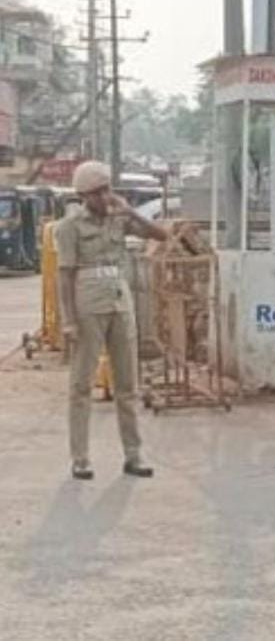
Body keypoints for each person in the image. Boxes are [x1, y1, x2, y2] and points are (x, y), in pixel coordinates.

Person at [55, 161, 168, 480]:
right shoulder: (70, 226)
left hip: (120, 301)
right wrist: (68, 320)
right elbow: (65, 276)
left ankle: (133, 454)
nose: (105, 197)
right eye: (97, 192)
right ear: (83, 195)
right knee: (81, 384)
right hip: (88, 304)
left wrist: (131, 213)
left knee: (127, 383)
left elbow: (161, 235)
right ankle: (80, 457)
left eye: (107, 189)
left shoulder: (120, 219)